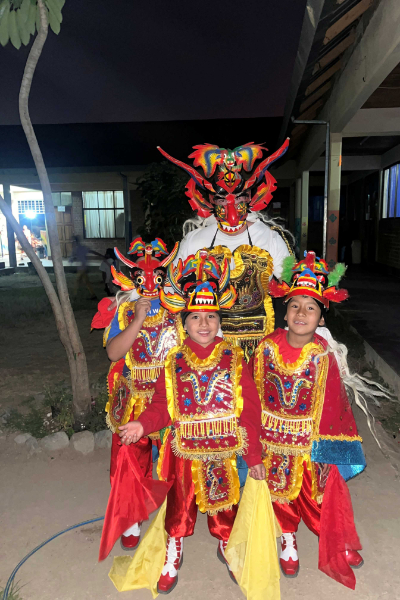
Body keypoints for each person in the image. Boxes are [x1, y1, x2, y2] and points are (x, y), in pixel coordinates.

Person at [114, 250, 265, 595]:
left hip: (222, 448)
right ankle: (174, 547)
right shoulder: (174, 360)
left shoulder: (233, 357)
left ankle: (227, 543)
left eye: (211, 316)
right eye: (195, 316)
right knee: (179, 504)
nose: (204, 324)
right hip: (182, 448)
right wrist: (142, 425)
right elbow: (162, 405)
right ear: (184, 323)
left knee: (223, 502)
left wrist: (253, 456)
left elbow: (250, 410)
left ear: (220, 321)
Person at [251, 251, 368, 590]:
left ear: (321, 317)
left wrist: (329, 450)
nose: (301, 313)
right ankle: (288, 539)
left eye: (311, 308)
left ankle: (333, 536)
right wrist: (254, 444)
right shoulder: (265, 348)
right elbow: (253, 397)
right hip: (273, 441)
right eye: (295, 306)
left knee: (318, 495)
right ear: (284, 311)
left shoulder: (323, 355)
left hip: (310, 440)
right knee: (280, 494)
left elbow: (334, 406)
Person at [158, 140, 294, 362]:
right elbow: (171, 287)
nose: (231, 208)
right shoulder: (195, 241)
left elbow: (293, 285)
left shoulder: (269, 238)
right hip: (206, 341)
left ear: (251, 197)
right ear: (210, 201)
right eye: (222, 199)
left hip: (258, 339)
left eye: (239, 198)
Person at [92, 236, 183, 553]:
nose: (149, 281)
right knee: (130, 459)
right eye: (142, 275)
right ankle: (131, 516)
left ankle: (176, 518)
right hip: (136, 395)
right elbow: (113, 353)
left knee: (176, 459)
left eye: (156, 274)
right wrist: (139, 317)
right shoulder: (125, 309)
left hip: (172, 395)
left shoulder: (179, 307)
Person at [70, 235, 102, 299]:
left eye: (72, 241)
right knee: (85, 282)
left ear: (74, 241)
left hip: (81, 268)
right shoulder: (83, 247)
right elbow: (92, 251)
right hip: (84, 266)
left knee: (77, 281)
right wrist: (101, 255)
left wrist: (72, 260)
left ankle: (74, 295)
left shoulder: (76, 249)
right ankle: (93, 294)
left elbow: (72, 258)